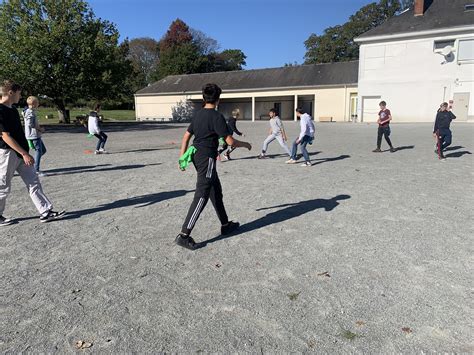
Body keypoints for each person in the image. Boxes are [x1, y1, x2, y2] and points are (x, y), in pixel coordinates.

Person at [176, 83, 252, 250]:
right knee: (202, 194)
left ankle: (225, 225)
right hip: (207, 159)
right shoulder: (217, 117)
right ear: (218, 99)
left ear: (204, 98)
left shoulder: (198, 115)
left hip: (196, 155)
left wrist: (182, 157)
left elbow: (186, 137)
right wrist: (245, 144)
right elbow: (230, 141)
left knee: (215, 190)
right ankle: (184, 235)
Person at [0, 80, 65, 226]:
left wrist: (25, 152)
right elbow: (5, 136)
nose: (20, 96)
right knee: (3, 186)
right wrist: (24, 153)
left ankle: (45, 211)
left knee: (33, 182)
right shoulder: (0, 110)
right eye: (19, 93)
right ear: (10, 92)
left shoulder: (12, 109)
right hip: (8, 153)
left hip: (22, 153)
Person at [24, 96, 47, 176]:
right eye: (37, 103)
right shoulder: (30, 112)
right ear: (33, 104)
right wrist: (40, 129)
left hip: (36, 135)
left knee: (43, 151)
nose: (39, 104)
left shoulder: (32, 111)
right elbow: (31, 124)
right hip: (33, 135)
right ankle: (36, 170)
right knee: (38, 151)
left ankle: (33, 163)